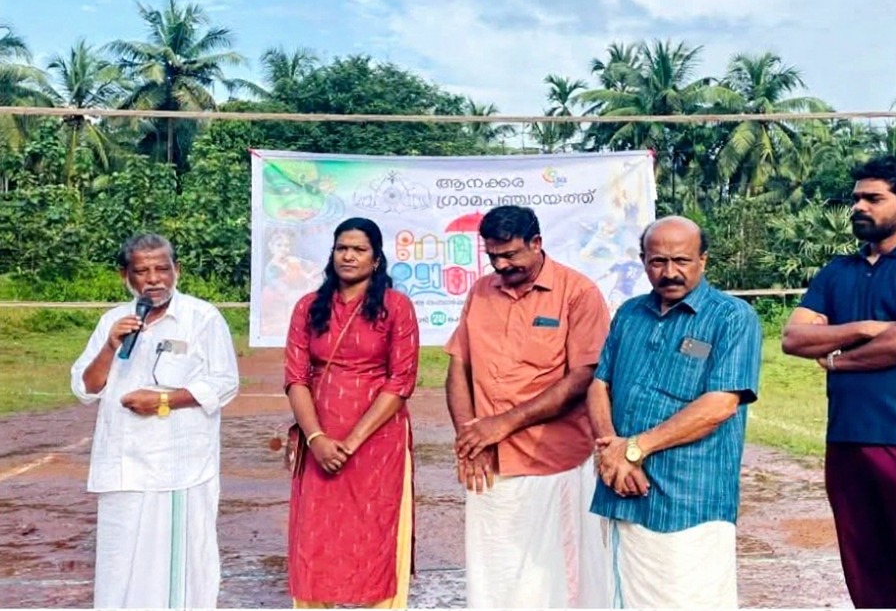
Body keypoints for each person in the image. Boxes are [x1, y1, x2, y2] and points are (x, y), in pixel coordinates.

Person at [781, 156, 896, 609]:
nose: (859, 207)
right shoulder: (837, 272)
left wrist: (838, 362)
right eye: (856, 199)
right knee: (868, 586)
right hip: (847, 442)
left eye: (873, 198)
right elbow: (793, 338)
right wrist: (866, 327)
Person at [589, 216, 761, 609]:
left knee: (690, 599)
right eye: (658, 261)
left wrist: (634, 449)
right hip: (622, 488)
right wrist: (612, 451)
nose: (669, 273)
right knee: (621, 596)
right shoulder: (630, 314)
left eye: (681, 260)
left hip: (689, 495)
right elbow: (599, 384)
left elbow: (720, 404)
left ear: (703, 259)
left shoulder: (732, 318)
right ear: (642, 260)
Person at [444, 205, 611, 608]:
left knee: (557, 582)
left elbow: (583, 377)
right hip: (489, 463)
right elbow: (459, 367)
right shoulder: (480, 292)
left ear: (536, 243)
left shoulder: (578, 293)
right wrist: (470, 438)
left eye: (510, 255)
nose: (501, 265)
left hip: (553, 462)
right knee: (494, 578)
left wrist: (502, 424)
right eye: (493, 256)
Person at [70, 234, 239, 608]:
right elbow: (86, 387)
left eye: (162, 269)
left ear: (177, 270)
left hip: (179, 467)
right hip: (123, 467)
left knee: (178, 570)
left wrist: (162, 400)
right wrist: (110, 346)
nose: (154, 279)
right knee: (119, 566)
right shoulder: (113, 321)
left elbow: (225, 383)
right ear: (125, 276)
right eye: (142, 271)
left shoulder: (202, 318)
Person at [285, 217, 420, 608]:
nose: (349, 256)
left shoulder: (396, 307)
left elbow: (401, 381)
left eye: (359, 249)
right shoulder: (308, 307)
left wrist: (350, 442)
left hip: (378, 440)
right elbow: (295, 377)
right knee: (316, 534)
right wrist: (317, 439)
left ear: (376, 259)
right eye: (342, 248)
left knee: (375, 530)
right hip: (319, 433)